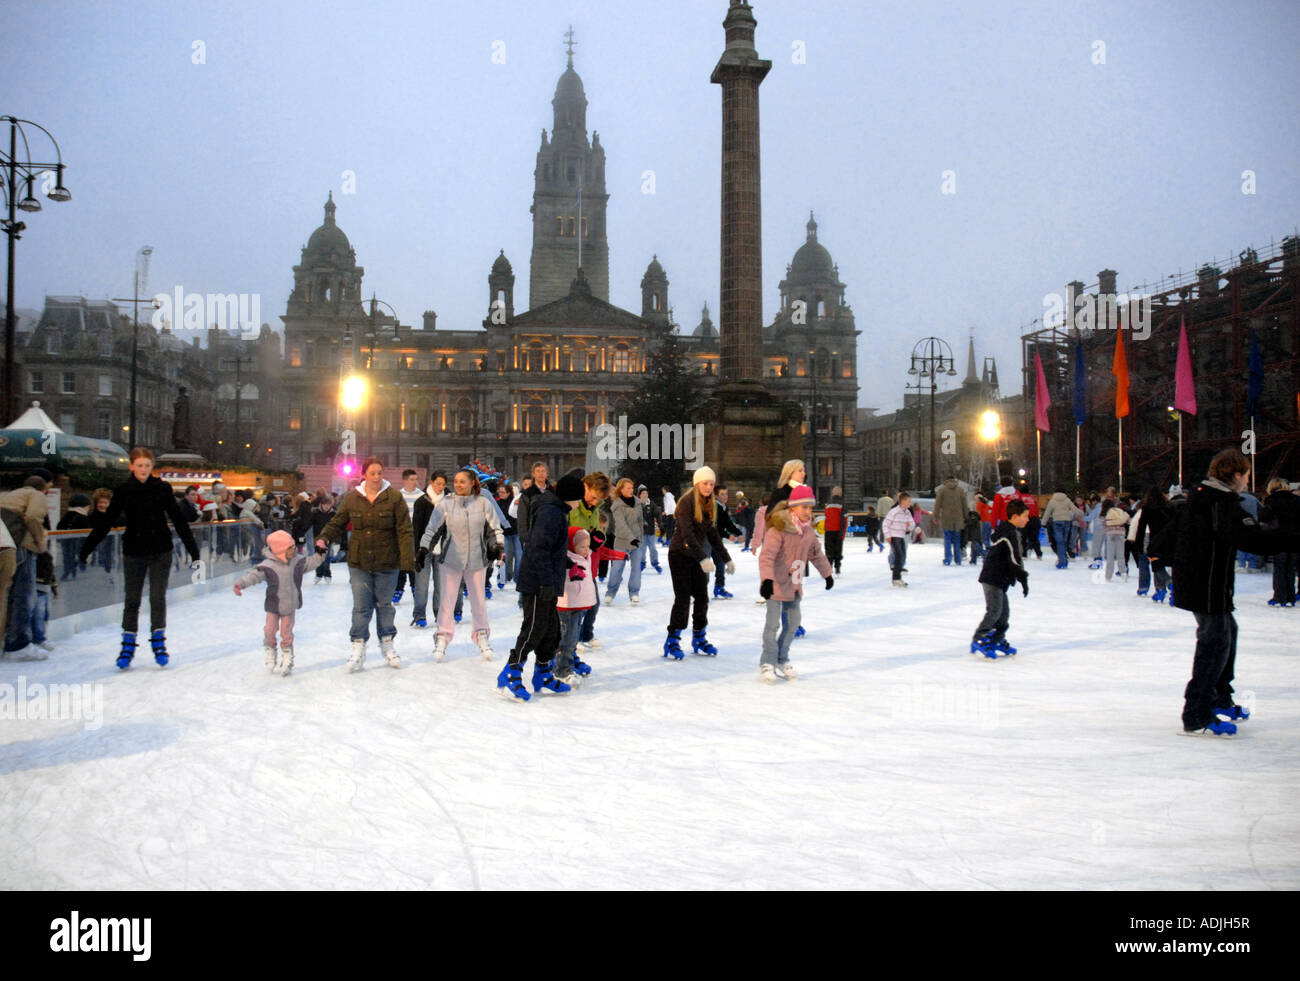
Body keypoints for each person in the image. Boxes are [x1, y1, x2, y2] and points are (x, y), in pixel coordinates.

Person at [1167, 449, 1300, 735]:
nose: (1248, 480)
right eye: (1247, 474)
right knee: (1214, 644)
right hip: (1206, 585)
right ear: (1236, 475)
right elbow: (1251, 538)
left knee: (1228, 634)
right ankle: (1196, 714)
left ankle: (1218, 699)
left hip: (1208, 583)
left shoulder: (1208, 497)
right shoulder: (1217, 502)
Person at [78, 448, 201, 669]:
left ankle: (158, 641)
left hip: (161, 550)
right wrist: (87, 548)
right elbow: (106, 522)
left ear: (152, 467)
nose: (143, 470)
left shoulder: (162, 489)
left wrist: (194, 551)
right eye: (140, 465)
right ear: (132, 467)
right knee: (132, 599)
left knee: (157, 597)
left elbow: (178, 520)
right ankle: (127, 643)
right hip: (134, 551)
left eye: (147, 465)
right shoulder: (123, 491)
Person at [315, 457, 414, 671]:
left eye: (379, 472)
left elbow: (405, 530)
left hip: (388, 561)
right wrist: (324, 538)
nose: (377, 477)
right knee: (361, 607)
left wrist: (407, 560)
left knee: (385, 606)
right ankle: (358, 647)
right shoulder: (353, 498)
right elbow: (337, 522)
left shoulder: (394, 497)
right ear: (364, 475)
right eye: (372, 473)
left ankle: (387, 644)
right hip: (359, 562)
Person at [500, 469, 578, 701]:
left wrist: (565, 561)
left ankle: (543, 673)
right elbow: (536, 548)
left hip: (547, 580)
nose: (579, 504)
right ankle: (511, 675)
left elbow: (550, 547)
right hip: (537, 581)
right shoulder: (551, 513)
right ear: (570, 497)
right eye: (578, 499)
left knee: (552, 631)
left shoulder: (555, 511)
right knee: (533, 630)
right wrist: (545, 580)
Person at [418, 467, 504, 662]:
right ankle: (442, 637)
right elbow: (432, 529)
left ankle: (482, 636)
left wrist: (497, 546)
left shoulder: (483, 503)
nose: (458, 484)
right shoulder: (446, 504)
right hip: (451, 559)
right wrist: (423, 549)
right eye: (455, 481)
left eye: (462, 481)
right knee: (447, 602)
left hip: (477, 559)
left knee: (478, 602)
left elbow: (494, 528)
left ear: (472, 483)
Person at [756, 484, 833, 683]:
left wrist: (827, 574)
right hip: (775, 583)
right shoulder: (779, 528)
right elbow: (767, 557)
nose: (808, 511)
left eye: (810, 507)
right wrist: (766, 580)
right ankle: (768, 661)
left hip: (795, 584)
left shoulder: (807, 532)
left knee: (793, 623)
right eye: (804, 507)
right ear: (793, 508)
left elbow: (816, 554)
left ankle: (782, 659)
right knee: (772, 624)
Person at [233, 529, 326, 676]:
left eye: (293, 546)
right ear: (280, 550)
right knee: (269, 630)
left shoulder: (297, 561)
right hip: (273, 605)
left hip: (290, 605)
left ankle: (288, 657)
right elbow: (253, 576)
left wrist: (321, 551)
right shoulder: (268, 565)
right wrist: (240, 584)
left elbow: (312, 562)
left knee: (286, 632)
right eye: (290, 547)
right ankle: (271, 651)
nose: (293, 549)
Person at [663, 466, 732, 659]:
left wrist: (726, 558)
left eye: (711, 484)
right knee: (683, 598)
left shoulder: (710, 503)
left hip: (696, 556)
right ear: (697, 483)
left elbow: (712, 533)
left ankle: (699, 637)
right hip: (679, 555)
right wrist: (703, 557)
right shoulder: (686, 502)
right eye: (705, 483)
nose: (709, 487)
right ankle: (673, 639)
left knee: (702, 598)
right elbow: (688, 535)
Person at [971, 499, 1030, 657]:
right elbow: (1015, 558)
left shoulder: (1008, 531)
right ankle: (980, 638)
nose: (1028, 519)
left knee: (1004, 613)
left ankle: (997, 638)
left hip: (1000, 578)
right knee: (995, 611)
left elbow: (1013, 559)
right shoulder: (1010, 533)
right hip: (993, 577)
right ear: (1015, 516)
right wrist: (1023, 578)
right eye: (1025, 516)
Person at [568, 471, 610, 650]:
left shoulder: (595, 509)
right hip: (569, 562)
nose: (594, 502)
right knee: (575, 606)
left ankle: (585, 634)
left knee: (592, 602)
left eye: (597, 500)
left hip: (585, 562)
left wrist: (597, 538)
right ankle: (572, 639)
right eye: (593, 497)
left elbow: (593, 533)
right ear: (586, 485)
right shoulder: (572, 506)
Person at [1260, 478, 1299, 607]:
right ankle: (1290, 597)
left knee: (1279, 568)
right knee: (1290, 568)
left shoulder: (1272, 500)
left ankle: (1279, 597)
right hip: (1294, 538)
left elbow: (1265, 517)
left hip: (1279, 537)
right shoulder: (1296, 500)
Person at [605, 477, 644, 604]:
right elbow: (621, 524)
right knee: (617, 568)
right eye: (628, 488)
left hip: (636, 541)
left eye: (632, 488)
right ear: (621, 489)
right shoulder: (617, 505)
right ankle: (610, 592)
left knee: (636, 568)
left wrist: (640, 538)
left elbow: (640, 521)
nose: (631, 490)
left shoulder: (638, 503)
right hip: (621, 541)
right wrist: (631, 538)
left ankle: (634, 592)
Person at [393, 469, 424, 604]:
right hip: (401, 534)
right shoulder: (398, 496)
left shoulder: (421, 496)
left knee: (414, 561)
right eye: (411, 479)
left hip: (416, 534)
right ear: (404, 480)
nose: (415, 482)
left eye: (416, 479)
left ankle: (415, 587)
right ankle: (398, 588)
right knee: (401, 562)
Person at [710, 484, 743, 598]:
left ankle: (719, 587)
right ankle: (694, 591)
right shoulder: (713, 507)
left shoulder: (723, 507)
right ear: (715, 495)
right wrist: (729, 536)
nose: (725, 497)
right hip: (707, 541)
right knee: (702, 567)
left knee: (720, 563)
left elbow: (727, 524)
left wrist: (738, 533)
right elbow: (716, 527)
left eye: (726, 494)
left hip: (717, 541)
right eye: (722, 494)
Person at [1042, 487, 1083, 569]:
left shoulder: (1052, 501)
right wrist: (1081, 513)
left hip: (1057, 522)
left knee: (1059, 543)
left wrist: (1043, 522)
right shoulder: (1067, 500)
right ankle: (1064, 561)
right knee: (1064, 542)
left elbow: (1047, 512)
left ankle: (1062, 562)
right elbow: (1074, 509)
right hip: (1067, 522)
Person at [56, 493, 93, 581]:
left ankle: (67, 572)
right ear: (85, 506)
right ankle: (73, 572)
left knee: (67, 557)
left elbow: (59, 527)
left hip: (65, 543)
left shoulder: (66, 516)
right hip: (78, 545)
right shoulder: (83, 518)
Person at [882, 492, 915, 587]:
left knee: (902, 556)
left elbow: (912, 523)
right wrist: (887, 535)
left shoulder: (907, 512)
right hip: (894, 536)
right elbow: (885, 524)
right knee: (899, 556)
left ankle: (897, 577)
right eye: (908, 501)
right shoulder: (894, 511)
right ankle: (896, 578)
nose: (910, 503)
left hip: (901, 536)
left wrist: (909, 527)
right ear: (903, 501)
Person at [934, 476, 968, 566]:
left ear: (945, 481)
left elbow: (937, 505)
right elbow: (965, 505)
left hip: (946, 519)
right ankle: (958, 559)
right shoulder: (960, 490)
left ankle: (948, 559)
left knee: (947, 539)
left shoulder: (941, 490)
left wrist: (936, 516)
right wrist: (966, 517)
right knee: (957, 540)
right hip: (958, 519)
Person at [496, 481, 521, 589]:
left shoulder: (515, 502)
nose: (500, 494)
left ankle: (517, 578)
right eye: (499, 492)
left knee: (519, 556)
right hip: (505, 534)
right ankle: (505, 577)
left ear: (508, 493)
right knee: (506, 556)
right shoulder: (498, 503)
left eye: (503, 492)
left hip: (516, 533)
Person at [637, 486, 663, 573]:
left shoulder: (651, 504)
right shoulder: (636, 504)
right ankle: (642, 563)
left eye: (646, 493)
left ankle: (655, 563)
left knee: (653, 548)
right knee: (642, 548)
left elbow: (657, 514)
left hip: (650, 531)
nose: (645, 495)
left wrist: (660, 524)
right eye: (643, 493)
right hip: (641, 532)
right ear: (639, 495)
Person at [1103, 502, 1129, 582]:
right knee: (1121, 555)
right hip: (1121, 534)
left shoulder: (1107, 512)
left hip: (1111, 534)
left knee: (1110, 556)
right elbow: (1128, 521)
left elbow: (1104, 523)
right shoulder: (1120, 511)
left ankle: (1108, 576)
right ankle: (1123, 573)